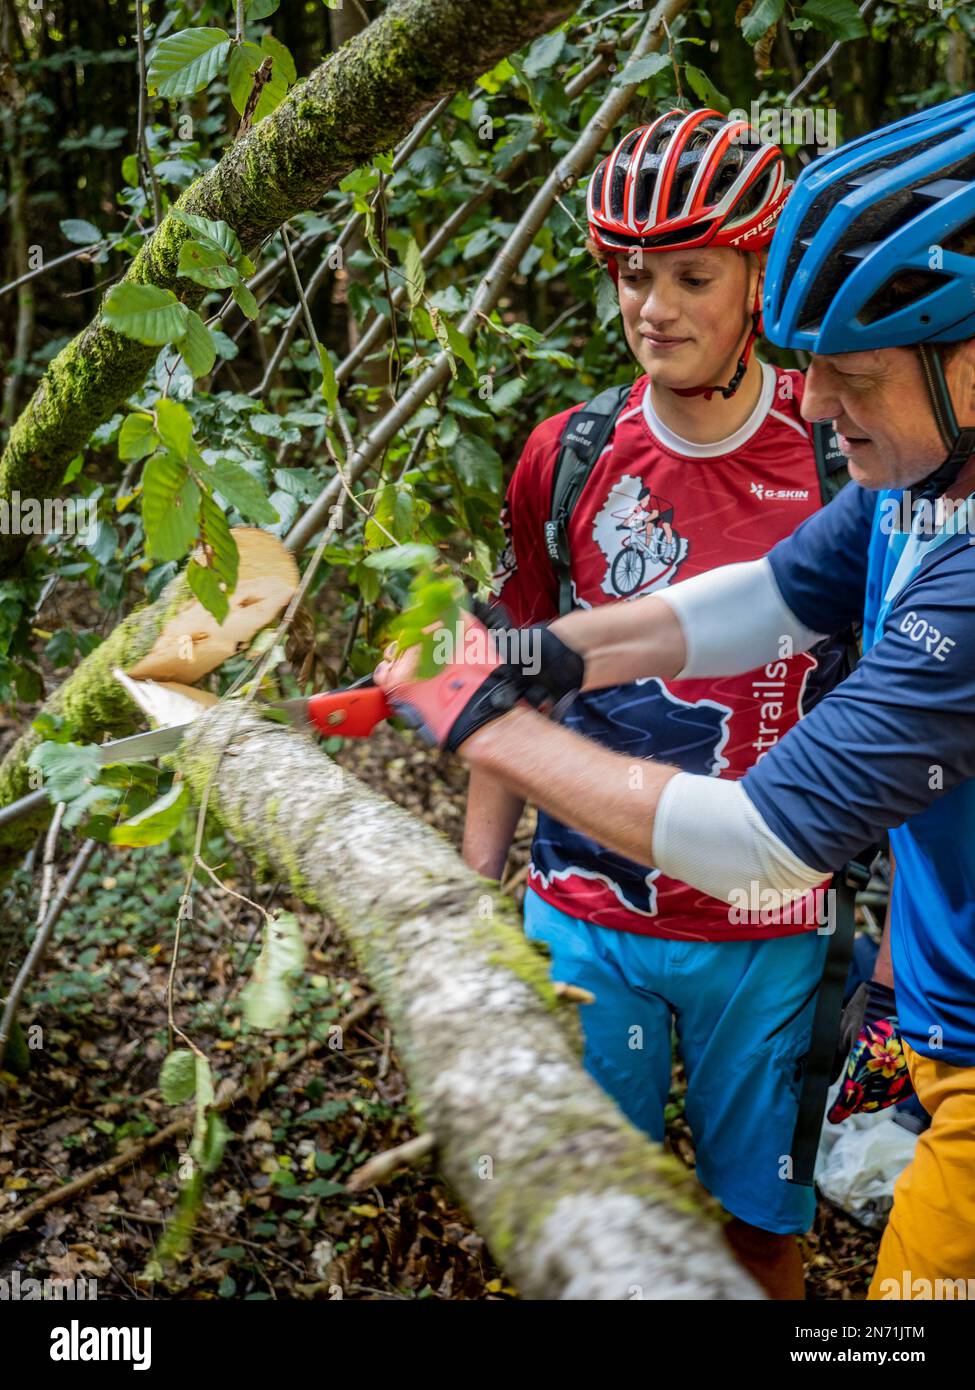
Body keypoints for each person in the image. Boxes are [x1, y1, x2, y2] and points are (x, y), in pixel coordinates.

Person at [376, 91, 975, 1299]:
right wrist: (538, 659)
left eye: (850, 376)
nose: (814, 405)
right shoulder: (926, 476)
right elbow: (763, 600)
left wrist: (487, 723)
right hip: (932, 1015)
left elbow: (760, 845)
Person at [463, 108, 861, 1301]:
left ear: (760, 279)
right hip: (588, 916)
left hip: (776, 930)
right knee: (592, 1226)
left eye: (693, 275)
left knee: (759, 1234)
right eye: (635, 276)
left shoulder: (839, 447)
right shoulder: (570, 454)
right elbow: (506, 666)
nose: (656, 306)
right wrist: (474, 888)